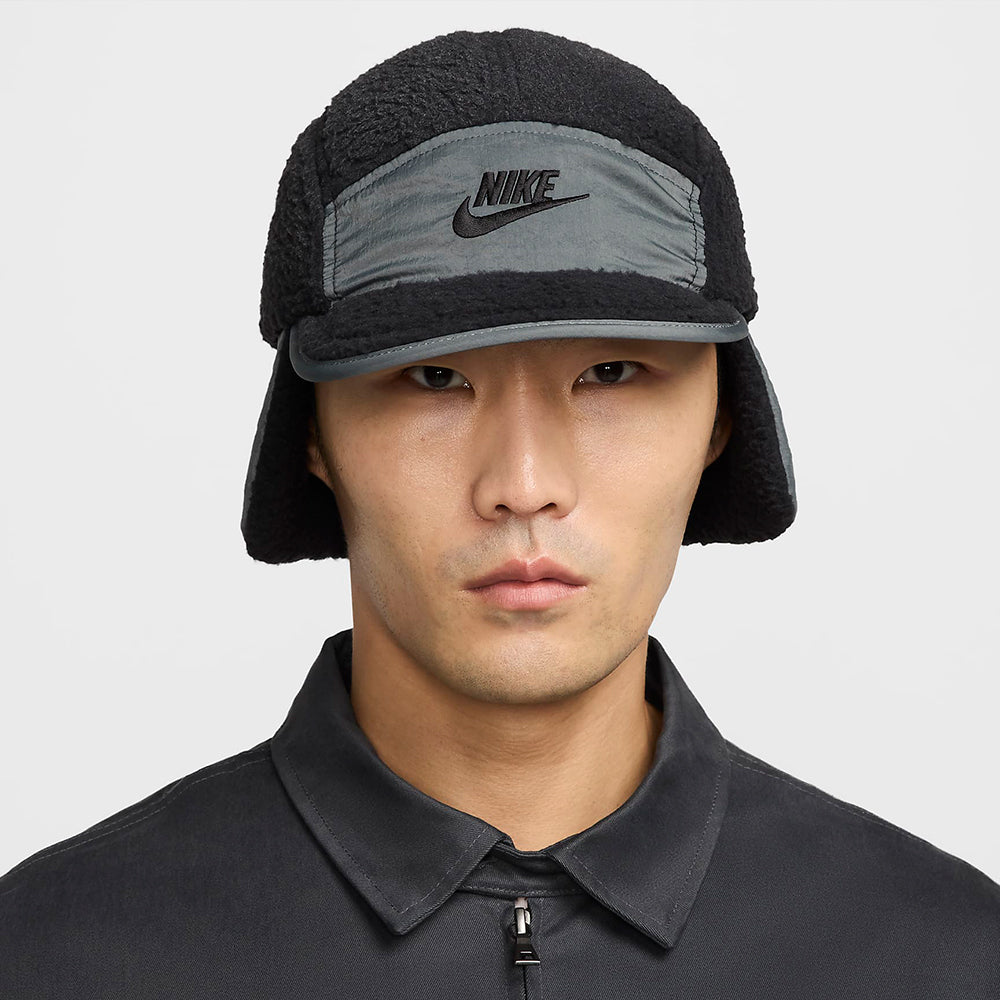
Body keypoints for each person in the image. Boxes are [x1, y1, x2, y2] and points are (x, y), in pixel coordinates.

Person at [1, 26, 997, 997]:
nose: (522, 482)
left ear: (720, 422)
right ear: (312, 435)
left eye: (611, 373)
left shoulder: (947, 957)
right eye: (435, 378)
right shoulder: (51, 957)